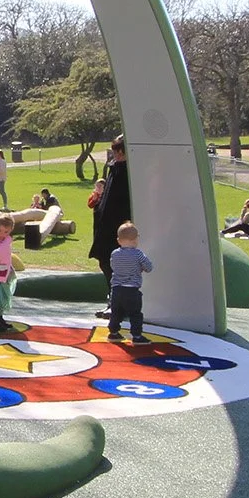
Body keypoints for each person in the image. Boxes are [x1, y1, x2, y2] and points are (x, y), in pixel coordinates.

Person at [87, 136, 131, 311]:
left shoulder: (127, 171)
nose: (117, 155)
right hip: (105, 227)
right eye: (115, 152)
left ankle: (118, 303)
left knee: (119, 265)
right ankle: (113, 300)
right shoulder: (114, 169)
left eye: (119, 152)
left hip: (119, 227)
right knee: (105, 262)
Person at [107, 221, 154, 343]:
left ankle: (113, 332)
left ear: (119, 240)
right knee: (135, 314)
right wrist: (140, 268)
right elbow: (149, 267)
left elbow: (113, 266)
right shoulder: (138, 254)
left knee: (116, 312)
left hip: (117, 289)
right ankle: (137, 336)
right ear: (135, 240)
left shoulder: (115, 254)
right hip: (132, 290)